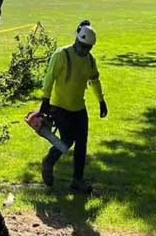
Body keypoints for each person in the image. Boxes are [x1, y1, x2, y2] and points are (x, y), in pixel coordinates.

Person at [38, 20, 108, 193]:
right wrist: (45, 100)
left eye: (88, 48)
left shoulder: (90, 61)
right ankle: (49, 162)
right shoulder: (62, 55)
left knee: (82, 143)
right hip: (60, 107)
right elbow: (49, 78)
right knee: (67, 140)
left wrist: (101, 101)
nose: (84, 50)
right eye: (82, 46)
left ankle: (77, 180)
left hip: (79, 108)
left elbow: (94, 80)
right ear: (77, 40)